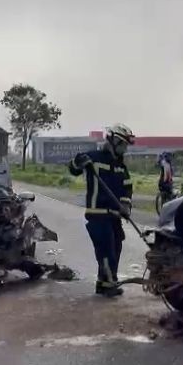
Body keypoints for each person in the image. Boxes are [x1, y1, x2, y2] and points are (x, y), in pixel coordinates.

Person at [69, 124, 136, 297]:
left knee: (116, 247)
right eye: (123, 144)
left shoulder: (121, 166)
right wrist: (79, 161)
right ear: (113, 140)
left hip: (114, 216)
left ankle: (103, 282)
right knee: (106, 252)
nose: (125, 148)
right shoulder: (94, 158)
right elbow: (73, 169)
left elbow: (127, 188)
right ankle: (108, 285)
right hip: (98, 215)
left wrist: (126, 205)